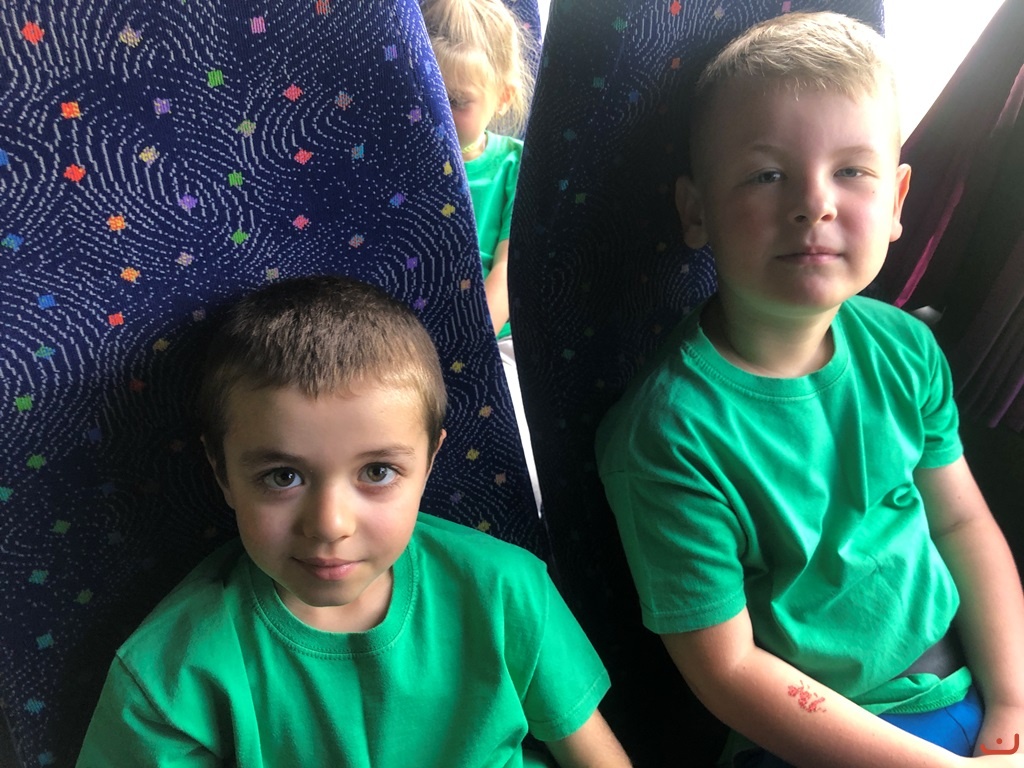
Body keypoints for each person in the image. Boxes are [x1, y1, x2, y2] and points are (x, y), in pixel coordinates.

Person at [595, 12, 1024, 768]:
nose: (814, 203)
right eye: (768, 175)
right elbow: (729, 671)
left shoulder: (906, 350)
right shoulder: (668, 433)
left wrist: (1011, 711)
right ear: (696, 210)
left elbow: (960, 523)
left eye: (852, 172)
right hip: (814, 736)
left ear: (897, 202)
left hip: (965, 685)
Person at [77, 275, 631, 768]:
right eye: (282, 477)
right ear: (221, 472)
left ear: (429, 463)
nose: (330, 524)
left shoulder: (507, 589)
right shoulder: (169, 677)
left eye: (378, 471)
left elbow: (590, 751)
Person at [422, 0, 543, 512]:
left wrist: (466, 343)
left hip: (493, 336)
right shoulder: (402, 157)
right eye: (426, 93)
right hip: (409, 330)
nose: (437, 113)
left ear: (502, 97)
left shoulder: (516, 164)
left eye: (457, 100)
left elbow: (509, 271)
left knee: (519, 454)